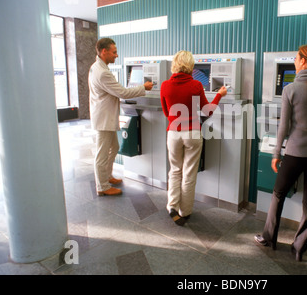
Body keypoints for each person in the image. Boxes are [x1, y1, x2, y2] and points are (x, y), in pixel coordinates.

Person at [254, 43, 307, 261]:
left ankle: (269, 238)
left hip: (295, 154)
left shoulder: (290, 89)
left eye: (296, 57)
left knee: (278, 194)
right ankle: (300, 248)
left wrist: (276, 154)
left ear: (303, 61)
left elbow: (283, 127)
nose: (294, 60)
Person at [160, 50, 227, 225]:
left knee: (175, 170)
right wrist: (219, 94)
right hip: (192, 133)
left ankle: (172, 205)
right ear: (190, 66)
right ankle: (185, 212)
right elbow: (208, 111)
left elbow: (167, 112)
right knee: (189, 173)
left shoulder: (165, 85)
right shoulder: (196, 85)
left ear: (175, 64)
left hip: (173, 132)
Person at [88, 38, 153, 196]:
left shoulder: (97, 67)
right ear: (104, 52)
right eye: (114, 52)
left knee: (114, 147)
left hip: (105, 116)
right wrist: (143, 88)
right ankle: (102, 186)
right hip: (103, 119)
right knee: (101, 154)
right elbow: (122, 92)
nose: (116, 55)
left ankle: (108, 176)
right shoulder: (102, 72)